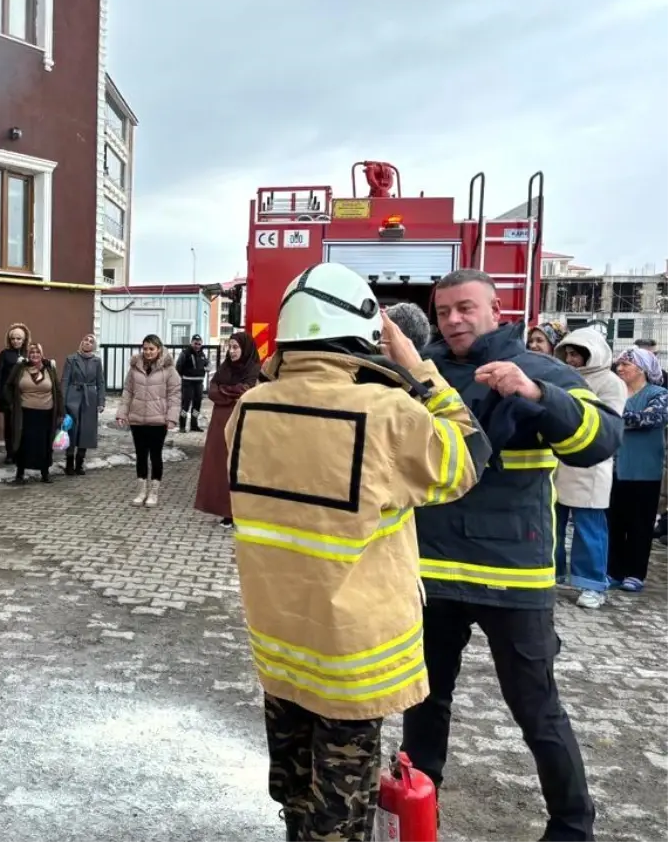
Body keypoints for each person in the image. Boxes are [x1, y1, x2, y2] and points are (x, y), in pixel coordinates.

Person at [225, 263, 489, 842]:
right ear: (364, 335)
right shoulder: (390, 414)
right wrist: (417, 369)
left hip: (279, 640)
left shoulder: (250, 409)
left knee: (294, 784)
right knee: (341, 807)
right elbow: (468, 456)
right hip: (351, 656)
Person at [400, 269, 622, 842]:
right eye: (443, 310)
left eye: (466, 308)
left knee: (537, 710)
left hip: (513, 578)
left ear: (497, 309)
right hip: (432, 573)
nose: (453, 320)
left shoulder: (540, 371)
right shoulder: (420, 378)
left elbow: (600, 441)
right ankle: (416, 814)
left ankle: (573, 826)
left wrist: (535, 394)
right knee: (424, 704)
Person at [551, 328, 626, 609]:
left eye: (576, 354)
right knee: (553, 525)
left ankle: (592, 584)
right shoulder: (562, 377)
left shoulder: (611, 383)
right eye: (567, 353)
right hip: (559, 462)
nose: (570, 359)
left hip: (591, 465)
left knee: (589, 529)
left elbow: (609, 423)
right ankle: (553, 573)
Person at [608, 347, 668, 593]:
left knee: (640, 525)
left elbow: (651, 419)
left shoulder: (658, 394)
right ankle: (613, 571)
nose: (620, 369)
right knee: (614, 523)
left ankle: (635, 573)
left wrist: (615, 416)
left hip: (645, 470)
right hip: (615, 468)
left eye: (626, 365)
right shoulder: (614, 392)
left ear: (642, 369)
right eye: (619, 364)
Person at [193, 331, 260, 528]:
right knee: (221, 466)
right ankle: (226, 511)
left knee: (241, 467)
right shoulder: (225, 368)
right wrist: (230, 392)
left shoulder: (254, 368)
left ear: (245, 349)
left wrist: (227, 391)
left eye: (235, 347)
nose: (231, 352)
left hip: (244, 424)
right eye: (229, 347)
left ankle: (244, 512)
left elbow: (247, 391)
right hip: (220, 424)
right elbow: (213, 390)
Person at [116, 334, 181, 507]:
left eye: (151, 348)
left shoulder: (169, 370)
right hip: (137, 420)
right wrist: (122, 413)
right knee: (141, 456)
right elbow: (128, 391)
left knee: (155, 456)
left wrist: (172, 418)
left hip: (158, 421)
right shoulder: (135, 367)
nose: (148, 352)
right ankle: (141, 491)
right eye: (145, 348)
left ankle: (154, 492)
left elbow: (174, 395)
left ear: (159, 349)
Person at [1, 342, 65, 485]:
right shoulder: (20, 368)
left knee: (44, 444)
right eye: (32, 352)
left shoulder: (50, 368)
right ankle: (20, 474)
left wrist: (61, 411)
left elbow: (58, 391)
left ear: (42, 354)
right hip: (25, 413)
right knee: (23, 443)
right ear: (28, 355)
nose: (34, 355)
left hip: (46, 414)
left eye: (37, 352)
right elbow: (8, 386)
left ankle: (45, 473)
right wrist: (12, 404)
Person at [61, 333, 106, 475]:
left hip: (90, 399)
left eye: (91, 341)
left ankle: (80, 462)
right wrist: (63, 401)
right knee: (71, 429)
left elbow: (101, 382)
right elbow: (65, 380)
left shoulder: (97, 361)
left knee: (86, 430)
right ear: (81, 343)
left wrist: (101, 401)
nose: (88, 342)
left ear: (94, 345)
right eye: (85, 340)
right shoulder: (71, 359)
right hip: (73, 396)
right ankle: (69, 462)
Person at [0, 323, 31, 464]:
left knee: (24, 425)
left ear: (24, 339)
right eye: (13, 338)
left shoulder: (29, 353)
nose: (16, 341)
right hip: (9, 395)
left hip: (26, 395)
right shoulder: (5, 354)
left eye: (19, 339)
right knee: (9, 425)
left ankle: (22, 451)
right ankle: (10, 453)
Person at [175, 334, 209, 432]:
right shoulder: (185, 353)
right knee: (185, 406)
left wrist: (207, 367)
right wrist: (182, 378)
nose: (197, 345)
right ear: (191, 343)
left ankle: (194, 425)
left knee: (197, 405)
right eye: (195, 343)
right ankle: (182, 426)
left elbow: (207, 363)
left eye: (199, 344)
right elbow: (178, 367)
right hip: (187, 383)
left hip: (199, 383)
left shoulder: (202, 354)